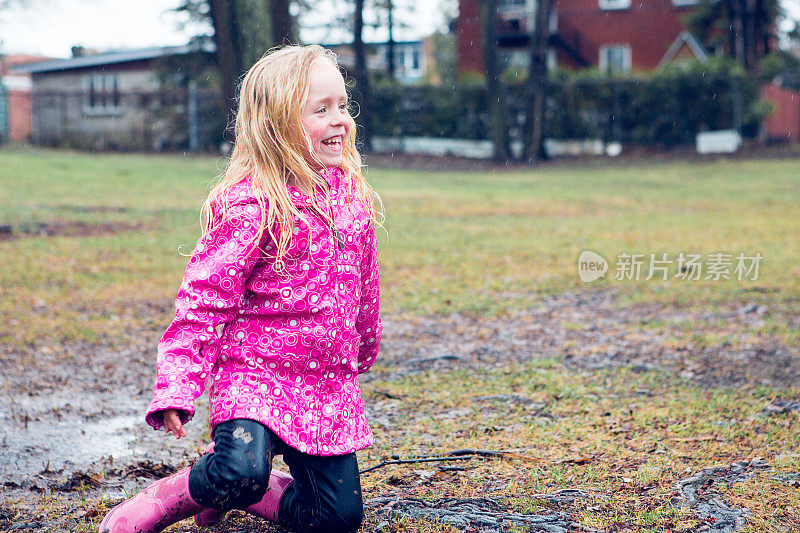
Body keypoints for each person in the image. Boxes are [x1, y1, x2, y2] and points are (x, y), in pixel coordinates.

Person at [99, 44, 382, 533]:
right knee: (241, 469)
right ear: (277, 124)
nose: (341, 120)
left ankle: (249, 493)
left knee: (337, 518)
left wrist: (363, 343)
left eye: (343, 105)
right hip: (254, 375)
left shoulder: (351, 197)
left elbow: (365, 281)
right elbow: (204, 301)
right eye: (322, 109)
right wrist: (178, 386)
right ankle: (169, 497)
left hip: (323, 386)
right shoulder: (253, 206)